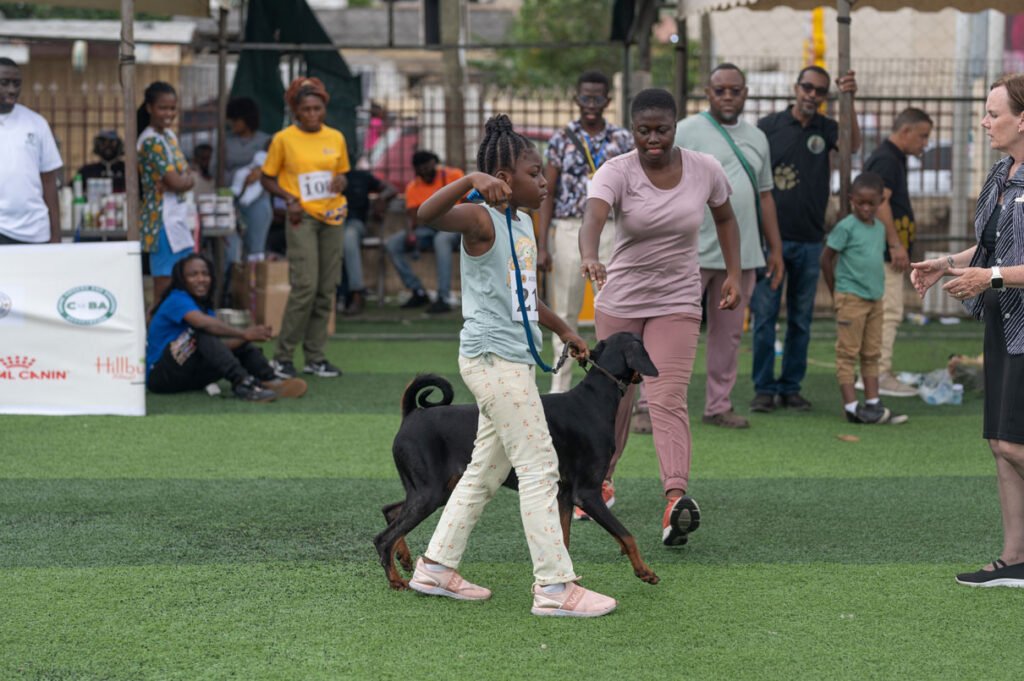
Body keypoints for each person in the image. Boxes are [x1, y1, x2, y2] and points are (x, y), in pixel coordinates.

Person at [408, 114, 617, 617]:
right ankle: (553, 588)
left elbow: (524, 296)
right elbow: (424, 215)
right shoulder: (479, 216)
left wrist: (564, 329)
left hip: (514, 361)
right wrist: (468, 182)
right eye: (534, 173)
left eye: (543, 173)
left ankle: (435, 568)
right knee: (542, 466)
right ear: (504, 178)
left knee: (485, 468)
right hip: (492, 361)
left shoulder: (520, 222)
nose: (545, 182)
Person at [580, 88, 742, 547]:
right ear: (632, 129)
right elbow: (593, 218)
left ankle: (675, 500)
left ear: (675, 126)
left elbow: (726, 219)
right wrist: (590, 255)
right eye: (644, 131)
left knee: (667, 396)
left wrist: (732, 273)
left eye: (662, 130)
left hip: (677, 300)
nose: (653, 139)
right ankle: (598, 483)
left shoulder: (703, 168)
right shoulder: (617, 171)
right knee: (615, 399)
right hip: (621, 301)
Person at [911, 74, 1024, 588]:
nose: (984, 121)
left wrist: (990, 276)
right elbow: (988, 249)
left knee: (1018, 446)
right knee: (1000, 442)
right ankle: (1014, 559)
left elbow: (998, 267)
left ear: (1023, 119)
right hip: (1002, 320)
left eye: (994, 113)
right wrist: (946, 264)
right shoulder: (1001, 173)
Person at [675, 63, 785, 429]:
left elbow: (765, 196)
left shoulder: (758, 138)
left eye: (734, 90)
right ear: (707, 92)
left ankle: (718, 405)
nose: (727, 96)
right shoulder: (685, 131)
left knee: (729, 335)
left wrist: (776, 249)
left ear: (745, 94)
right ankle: (652, 405)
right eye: (719, 89)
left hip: (742, 255)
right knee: (674, 330)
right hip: (689, 251)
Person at [751, 65, 860, 413]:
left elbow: (851, 146)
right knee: (765, 318)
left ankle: (791, 387)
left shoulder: (826, 128)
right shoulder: (769, 127)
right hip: (772, 242)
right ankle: (765, 389)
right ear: (796, 88)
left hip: (811, 239)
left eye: (820, 91)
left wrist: (850, 100)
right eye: (807, 88)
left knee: (801, 318)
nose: (812, 95)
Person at [538, 70, 634, 393]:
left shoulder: (622, 139)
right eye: (585, 97)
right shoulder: (561, 139)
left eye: (597, 98)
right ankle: (559, 388)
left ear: (608, 101)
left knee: (612, 306)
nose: (590, 104)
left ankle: (609, 385)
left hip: (610, 228)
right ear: (576, 99)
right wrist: (542, 245)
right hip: (568, 228)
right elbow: (547, 193)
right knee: (565, 308)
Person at [260, 77, 350, 380]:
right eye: (306, 109)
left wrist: (341, 181)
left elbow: (342, 174)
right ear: (296, 111)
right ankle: (282, 357)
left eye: (317, 108)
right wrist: (288, 199)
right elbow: (267, 178)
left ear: (324, 108)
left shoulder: (336, 137)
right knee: (305, 286)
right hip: (302, 217)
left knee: (327, 289)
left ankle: (315, 357)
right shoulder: (283, 139)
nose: (312, 114)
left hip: (333, 215)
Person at [147, 253, 307, 402]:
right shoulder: (176, 298)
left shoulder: (203, 307)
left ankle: (270, 380)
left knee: (239, 343)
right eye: (193, 275)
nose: (201, 279)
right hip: (161, 376)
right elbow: (202, 324)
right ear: (182, 279)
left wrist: (242, 339)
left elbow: (216, 348)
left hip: (188, 375)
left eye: (205, 274)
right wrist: (244, 333)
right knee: (202, 331)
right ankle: (243, 383)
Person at [820, 172, 908, 425]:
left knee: (872, 353)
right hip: (852, 298)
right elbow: (826, 258)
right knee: (847, 353)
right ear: (851, 200)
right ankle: (851, 407)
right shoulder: (846, 226)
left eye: (872, 203)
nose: (866, 208)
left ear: (881, 202)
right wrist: (837, 291)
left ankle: (873, 404)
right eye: (861, 203)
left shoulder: (880, 228)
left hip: (874, 299)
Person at [862, 107, 933, 398]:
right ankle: (878, 374)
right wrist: (894, 244)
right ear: (905, 132)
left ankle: (877, 371)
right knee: (888, 311)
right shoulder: (886, 159)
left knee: (886, 310)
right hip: (882, 252)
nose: (925, 143)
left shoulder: (893, 158)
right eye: (923, 136)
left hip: (885, 250)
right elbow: (880, 203)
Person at [385, 150, 464, 313]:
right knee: (393, 244)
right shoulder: (413, 186)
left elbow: (469, 200)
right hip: (428, 227)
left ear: (434, 163)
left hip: (453, 225)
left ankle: (443, 297)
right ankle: (418, 291)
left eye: (427, 165)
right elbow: (414, 216)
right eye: (420, 167)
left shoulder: (453, 175)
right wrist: (410, 233)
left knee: (441, 241)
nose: (425, 170)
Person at [137, 81, 195, 307]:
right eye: (163, 108)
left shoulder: (170, 136)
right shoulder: (150, 141)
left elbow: (183, 177)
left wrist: (184, 180)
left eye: (172, 108)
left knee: (182, 282)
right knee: (163, 288)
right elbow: (177, 180)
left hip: (177, 219)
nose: (169, 113)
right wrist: (184, 180)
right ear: (150, 108)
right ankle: (157, 337)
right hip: (161, 222)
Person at [0, 57, 62, 245]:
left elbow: (49, 181)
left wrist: (56, 235)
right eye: (4, 83)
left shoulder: (36, 123)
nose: (12, 90)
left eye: (16, 83)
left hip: (35, 231)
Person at [339, 167, 396, 316]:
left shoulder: (360, 176)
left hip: (353, 223)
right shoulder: (323, 173)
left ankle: (357, 293)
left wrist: (382, 198)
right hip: (328, 225)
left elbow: (391, 189)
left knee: (349, 236)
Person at [224, 97, 273, 264]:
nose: (231, 124)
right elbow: (215, 169)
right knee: (230, 250)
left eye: (235, 120)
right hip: (230, 199)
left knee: (256, 248)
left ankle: (253, 286)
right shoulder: (225, 141)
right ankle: (231, 285)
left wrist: (260, 173)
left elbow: (276, 168)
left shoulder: (266, 140)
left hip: (258, 200)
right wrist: (241, 176)